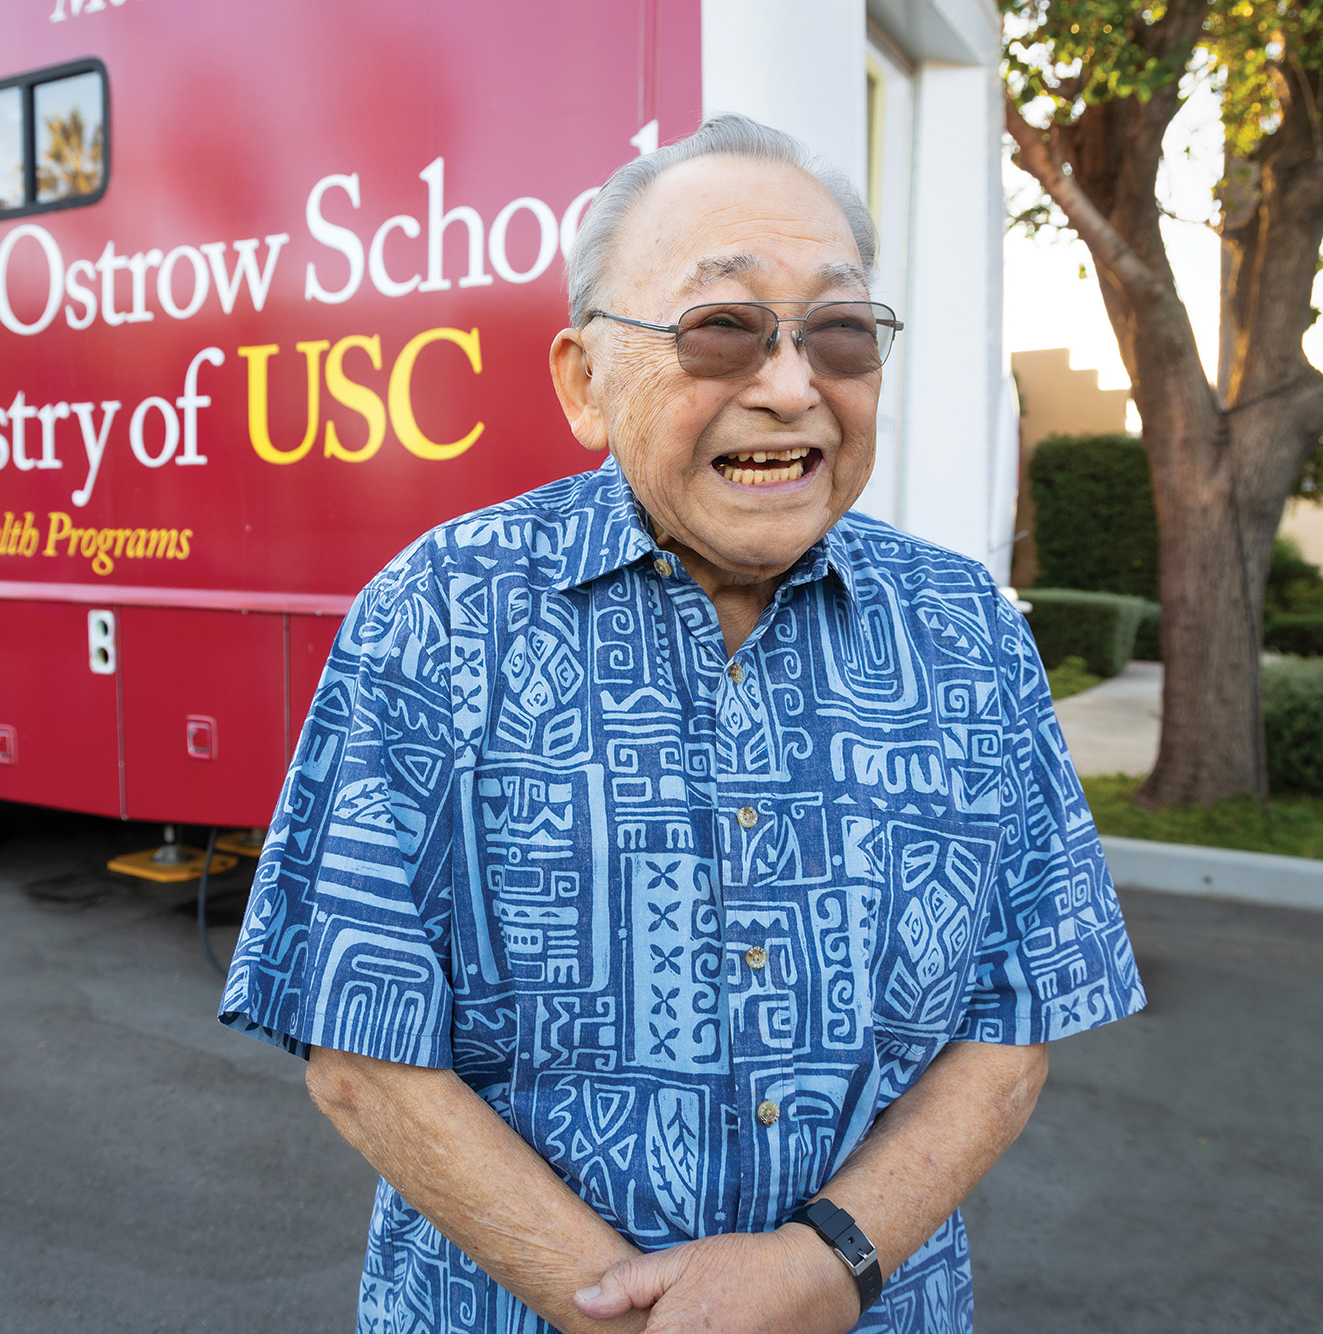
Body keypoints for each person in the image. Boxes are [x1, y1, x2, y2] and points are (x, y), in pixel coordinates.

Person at [219, 114, 1145, 1334]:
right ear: (584, 380)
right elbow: (359, 1043)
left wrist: (829, 1263)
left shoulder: (963, 631)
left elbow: (1015, 1012)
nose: (789, 384)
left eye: (838, 331)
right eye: (722, 329)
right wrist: (635, 1316)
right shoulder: (439, 615)